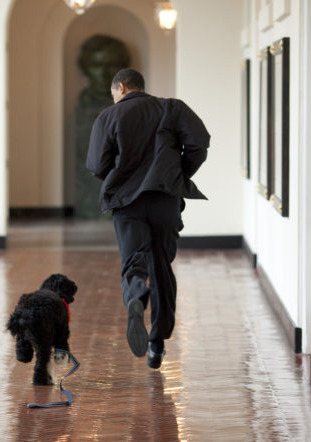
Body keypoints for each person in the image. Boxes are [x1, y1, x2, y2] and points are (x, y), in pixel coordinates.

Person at [86, 68, 210, 369]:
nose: (114, 99)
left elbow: (96, 164)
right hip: (164, 199)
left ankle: (136, 296)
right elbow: (199, 143)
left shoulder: (108, 117)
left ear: (122, 87)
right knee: (161, 267)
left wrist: (119, 176)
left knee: (134, 261)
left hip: (128, 202)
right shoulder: (172, 108)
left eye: (113, 93)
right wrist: (176, 173)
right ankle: (157, 344)